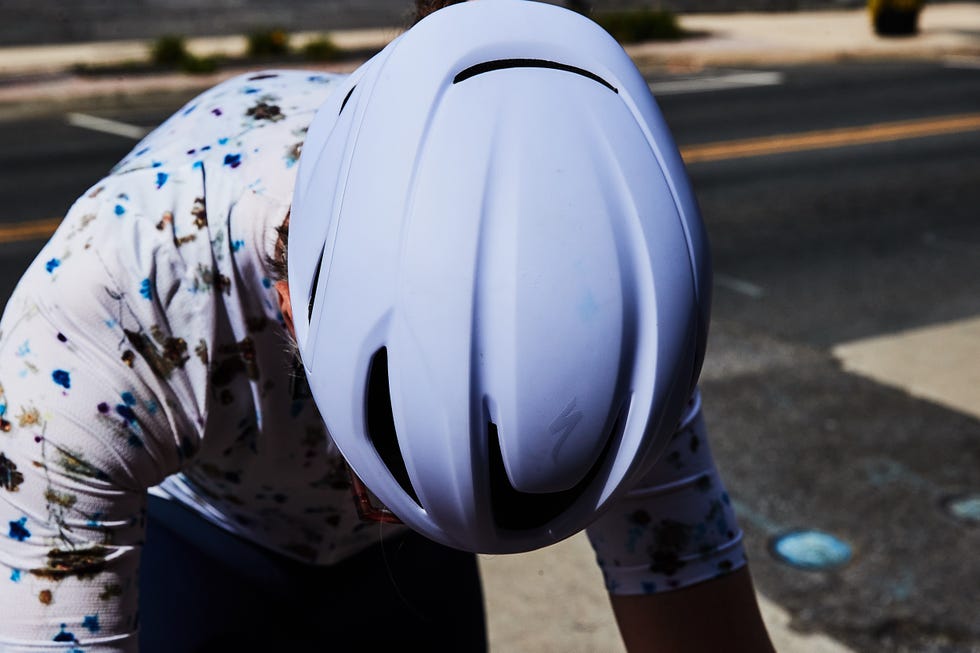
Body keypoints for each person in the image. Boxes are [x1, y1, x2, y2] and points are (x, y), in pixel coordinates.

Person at [0, 1, 776, 651]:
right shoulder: (105, 313)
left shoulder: (633, 344)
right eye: (382, 432)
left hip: (402, 572)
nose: (374, 500)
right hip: (199, 531)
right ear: (294, 294)